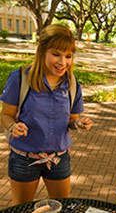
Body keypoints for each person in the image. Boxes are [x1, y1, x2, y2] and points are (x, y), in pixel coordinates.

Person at [0, 24, 93, 205]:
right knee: (22, 208)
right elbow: (6, 115)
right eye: (56, 54)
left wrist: (79, 124)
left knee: (62, 207)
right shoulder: (20, 78)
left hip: (59, 158)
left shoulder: (73, 84)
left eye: (68, 56)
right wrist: (13, 126)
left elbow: (72, 120)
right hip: (24, 158)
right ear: (41, 50)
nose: (62, 62)